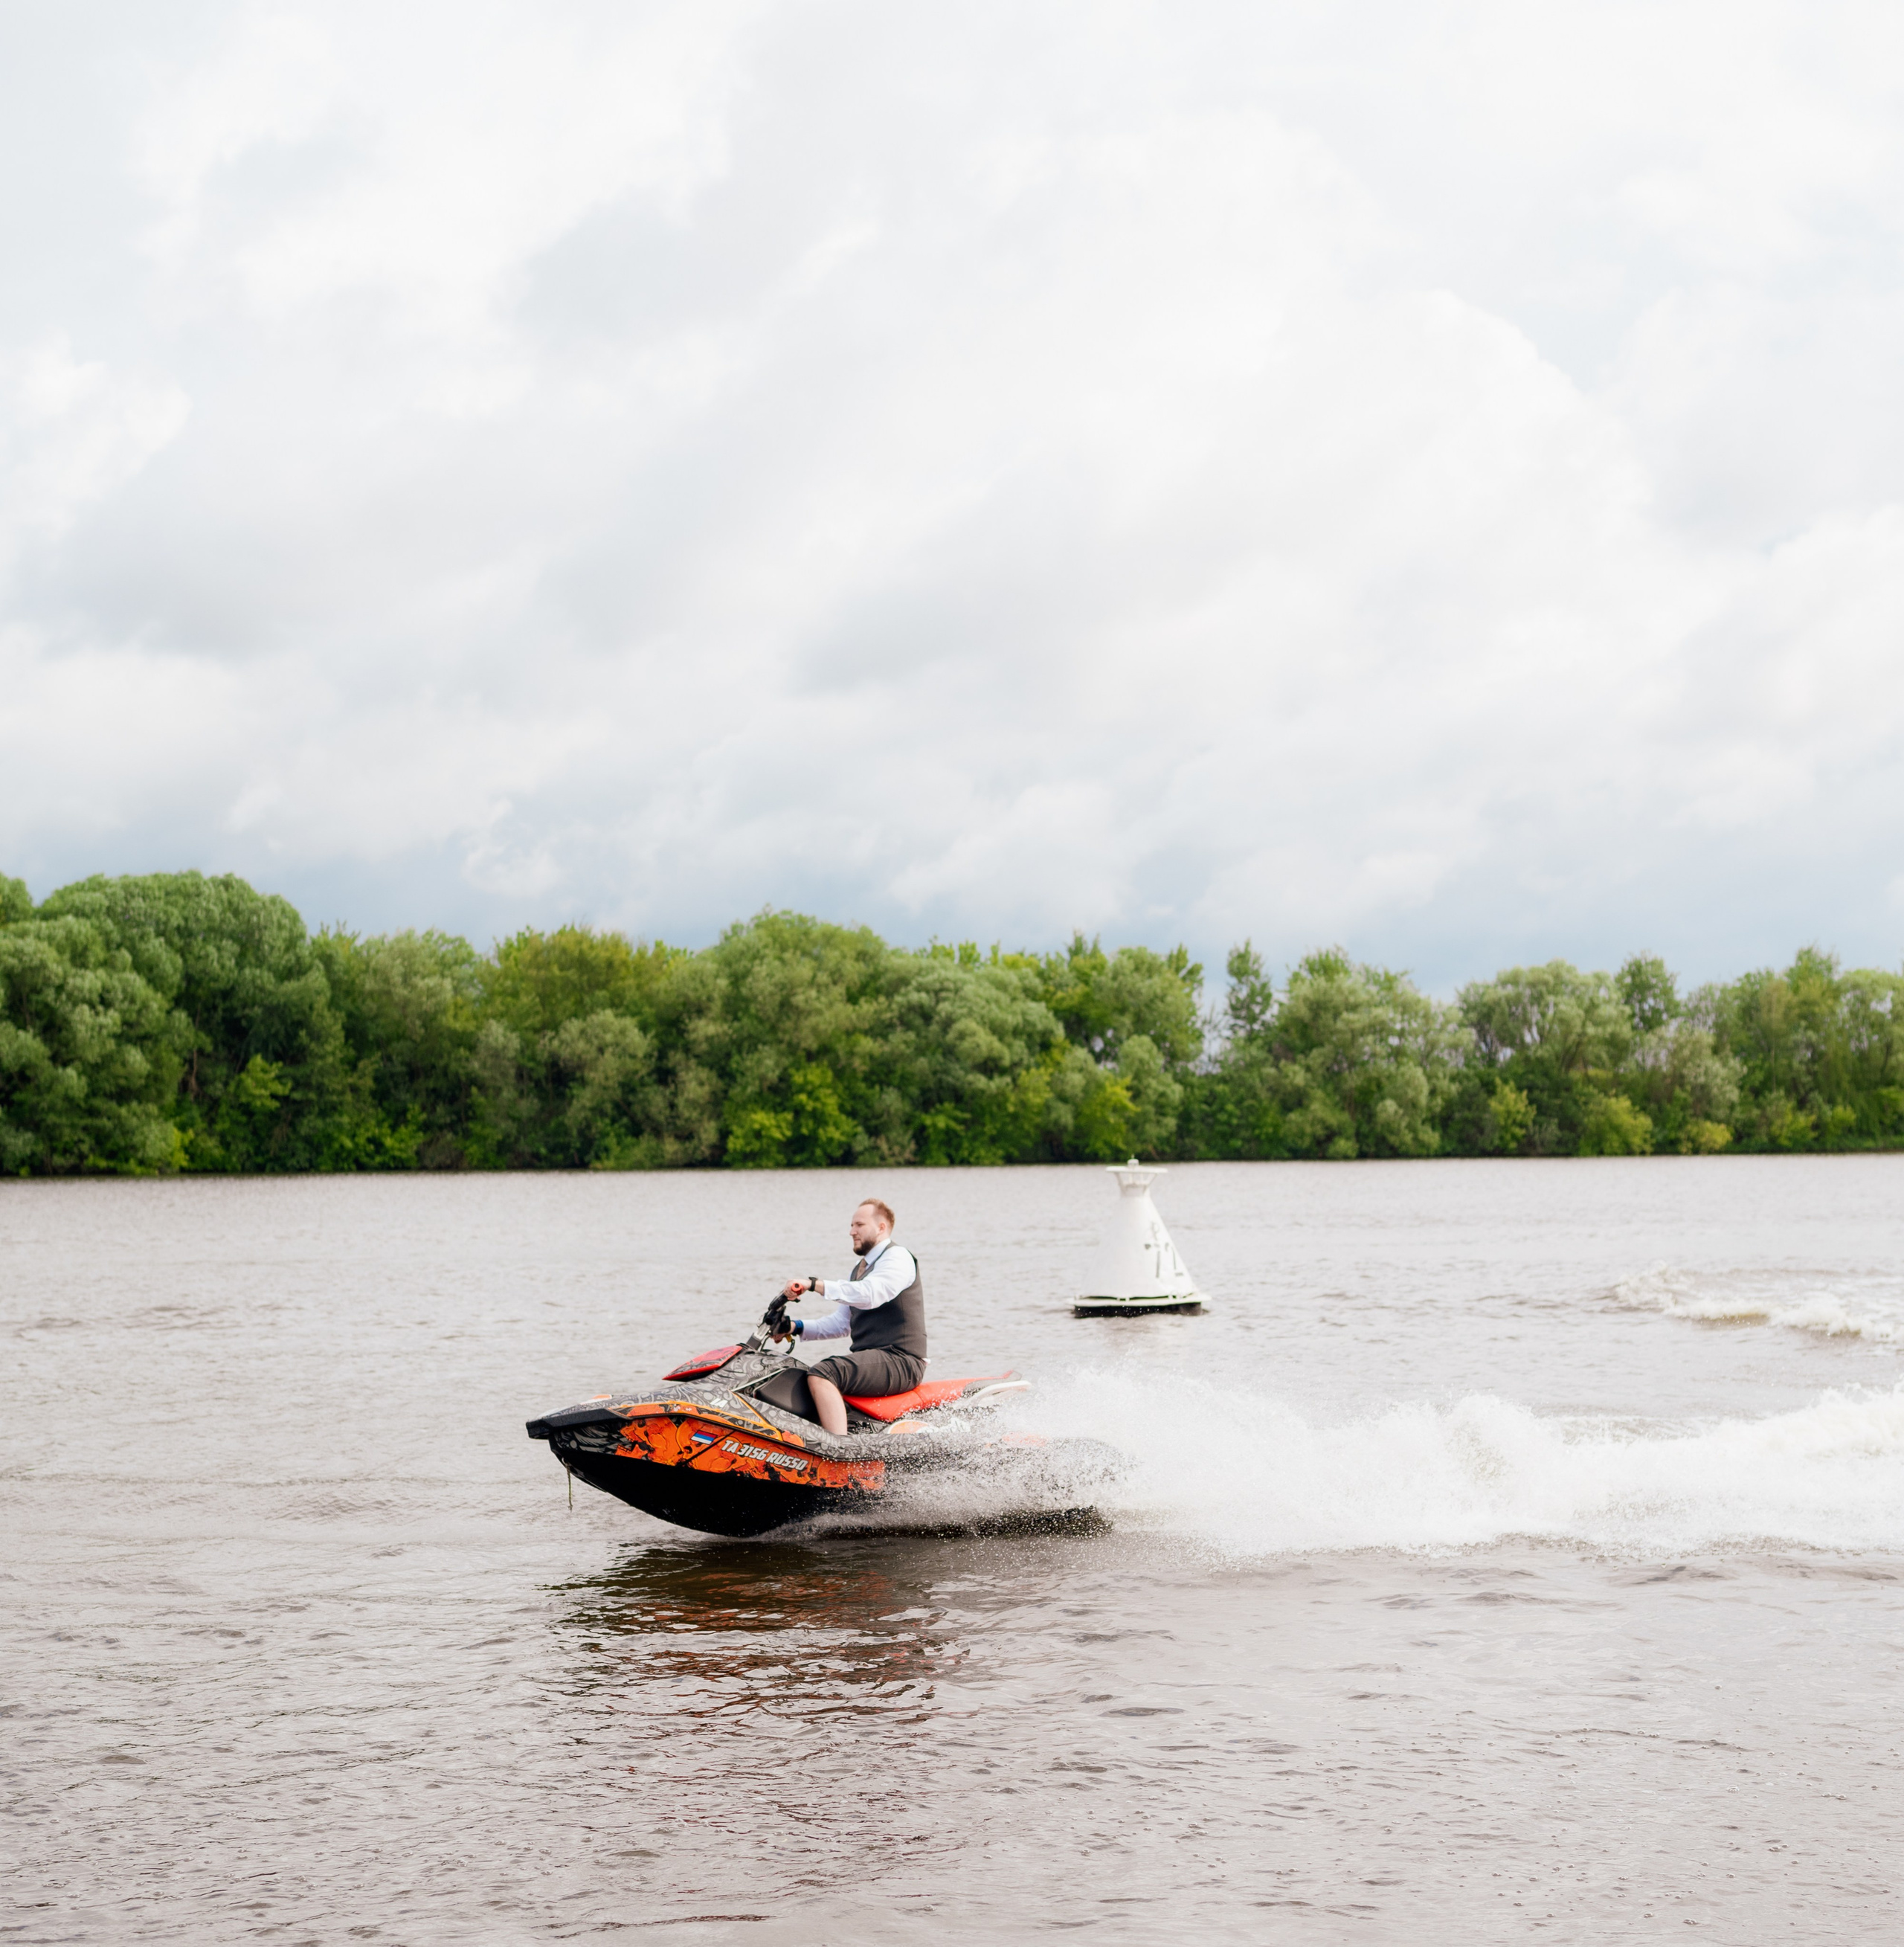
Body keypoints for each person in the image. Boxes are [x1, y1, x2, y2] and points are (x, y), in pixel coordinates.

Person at [779, 1198, 926, 1436]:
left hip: (902, 1360)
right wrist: (794, 1327)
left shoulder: (897, 1258)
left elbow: (871, 1295)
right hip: (877, 1358)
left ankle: (839, 1450)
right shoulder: (861, 1269)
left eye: (859, 1225)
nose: (851, 1232)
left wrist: (815, 1285)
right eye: (851, 1225)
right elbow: (841, 1324)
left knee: (823, 1373)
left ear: (881, 1227)